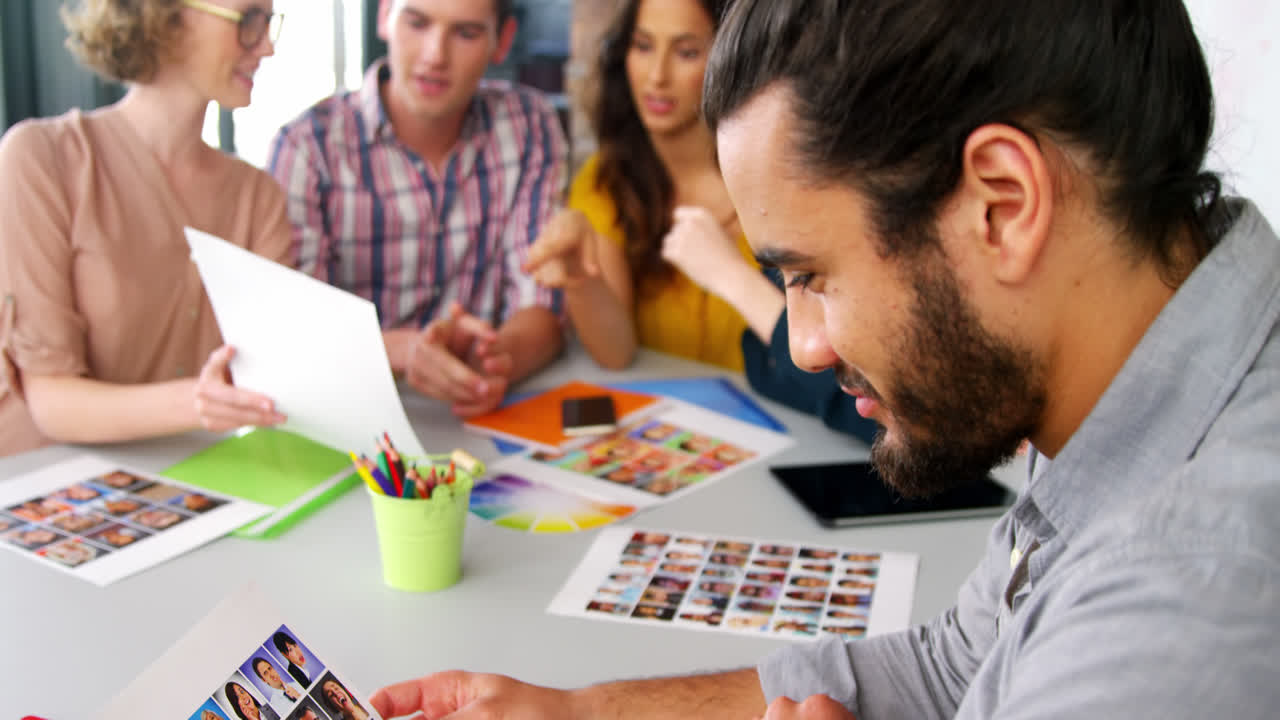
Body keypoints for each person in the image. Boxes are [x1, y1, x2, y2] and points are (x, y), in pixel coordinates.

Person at [369, 1, 1280, 718]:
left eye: (810, 275)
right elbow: (950, 668)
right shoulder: (1112, 366)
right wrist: (578, 712)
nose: (802, 345)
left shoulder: (1183, 604)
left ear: (1002, 204)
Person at [523, 0, 878, 444]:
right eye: (643, 46)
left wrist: (729, 272)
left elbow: (849, 378)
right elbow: (615, 354)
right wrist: (580, 277)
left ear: (728, 60)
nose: (657, 76)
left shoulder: (788, 182)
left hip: (797, 438)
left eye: (687, 52)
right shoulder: (607, 181)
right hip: (678, 442)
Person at [0, 0, 292, 457]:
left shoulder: (259, 198)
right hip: (43, 489)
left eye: (269, 21)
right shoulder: (41, 159)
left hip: (191, 489)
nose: (267, 46)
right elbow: (51, 400)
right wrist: (199, 402)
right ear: (165, 15)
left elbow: (279, 370)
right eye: (249, 20)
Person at [266, 0, 567, 418]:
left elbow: (543, 307)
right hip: (345, 418)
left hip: (480, 418)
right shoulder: (308, 147)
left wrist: (495, 360)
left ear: (503, 42)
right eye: (417, 22)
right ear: (385, 15)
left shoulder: (529, 124)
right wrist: (405, 351)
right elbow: (293, 336)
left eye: (465, 33)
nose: (434, 56)